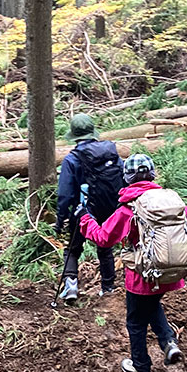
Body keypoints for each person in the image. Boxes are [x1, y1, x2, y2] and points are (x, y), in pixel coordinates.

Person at [78, 153, 187, 372]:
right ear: (153, 175)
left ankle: (141, 367)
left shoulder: (128, 209)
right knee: (152, 304)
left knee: (136, 321)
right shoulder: (169, 201)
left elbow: (103, 238)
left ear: (127, 178)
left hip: (142, 276)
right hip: (170, 271)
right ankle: (168, 342)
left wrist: (84, 219)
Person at [55, 113, 124, 302]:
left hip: (83, 211)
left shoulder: (72, 159)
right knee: (105, 246)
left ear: (74, 135)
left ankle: (70, 287)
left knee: (72, 249)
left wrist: (61, 219)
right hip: (111, 208)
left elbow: (65, 194)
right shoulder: (111, 152)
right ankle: (108, 289)